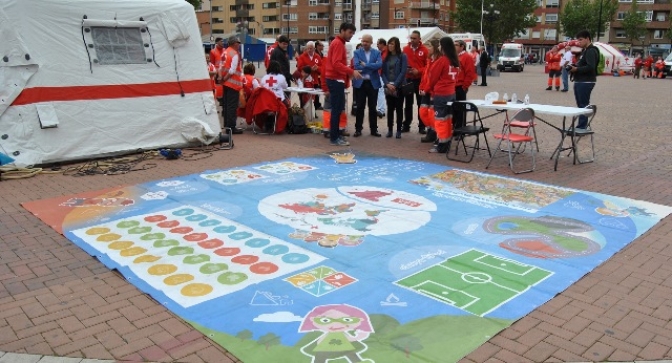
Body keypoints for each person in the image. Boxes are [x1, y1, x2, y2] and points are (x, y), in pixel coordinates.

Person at [325, 23, 361, 146]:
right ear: (342, 31)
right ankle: (335, 137)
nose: (351, 35)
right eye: (350, 32)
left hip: (336, 79)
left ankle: (336, 135)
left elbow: (336, 64)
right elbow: (336, 63)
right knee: (336, 109)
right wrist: (351, 71)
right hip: (335, 80)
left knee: (338, 109)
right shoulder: (338, 43)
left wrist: (348, 73)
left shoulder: (338, 43)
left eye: (353, 33)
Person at [427, 37, 459, 153]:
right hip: (451, 93)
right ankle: (446, 142)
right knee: (448, 119)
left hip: (441, 94)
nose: (439, 47)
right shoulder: (454, 60)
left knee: (440, 120)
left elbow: (433, 77)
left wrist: (431, 88)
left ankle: (441, 144)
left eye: (440, 45)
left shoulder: (442, 60)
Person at [352, 34, 383, 137]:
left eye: (367, 41)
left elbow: (379, 65)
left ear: (371, 42)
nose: (364, 43)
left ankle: (374, 130)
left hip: (372, 83)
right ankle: (358, 129)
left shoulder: (377, 52)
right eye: (363, 41)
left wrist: (365, 65)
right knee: (360, 107)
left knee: (372, 107)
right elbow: (356, 66)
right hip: (360, 83)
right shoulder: (357, 52)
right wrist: (371, 67)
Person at [568, 30, 599, 129]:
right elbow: (582, 64)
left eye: (581, 40)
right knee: (580, 104)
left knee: (583, 104)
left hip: (586, 81)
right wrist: (573, 67)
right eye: (578, 40)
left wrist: (576, 69)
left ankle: (582, 126)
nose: (579, 42)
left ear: (587, 38)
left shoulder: (591, 51)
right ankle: (581, 125)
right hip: (580, 80)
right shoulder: (584, 51)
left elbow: (591, 66)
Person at [402, 30, 429, 134]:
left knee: (420, 104)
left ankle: (422, 126)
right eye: (411, 38)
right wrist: (406, 70)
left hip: (420, 80)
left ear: (419, 39)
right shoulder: (405, 49)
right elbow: (401, 63)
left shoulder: (425, 50)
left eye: (414, 38)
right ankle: (406, 125)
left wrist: (419, 71)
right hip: (408, 79)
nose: (412, 40)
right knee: (408, 103)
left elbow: (428, 66)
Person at [381, 37, 408, 139]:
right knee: (390, 109)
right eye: (389, 44)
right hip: (388, 86)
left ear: (396, 45)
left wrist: (395, 85)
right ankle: (390, 130)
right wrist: (387, 84)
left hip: (399, 86)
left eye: (392, 44)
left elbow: (403, 71)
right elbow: (382, 72)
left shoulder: (402, 56)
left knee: (399, 109)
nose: (390, 46)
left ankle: (398, 130)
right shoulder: (386, 57)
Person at [220, 36, 244, 134]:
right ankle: (231, 127)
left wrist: (221, 79)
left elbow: (220, 66)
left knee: (226, 105)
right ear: (234, 43)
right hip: (232, 83)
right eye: (238, 43)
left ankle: (227, 126)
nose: (239, 45)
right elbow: (232, 70)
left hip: (225, 83)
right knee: (232, 106)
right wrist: (225, 78)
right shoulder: (234, 54)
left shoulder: (225, 52)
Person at [419, 39, 440, 144]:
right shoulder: (429, 60)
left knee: (432, 114)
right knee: (423, 112)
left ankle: (434, 133)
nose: (428, 49)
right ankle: (432, 130)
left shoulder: (438, 60)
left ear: (436, 48)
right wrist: (421, 87)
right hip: (426, 90)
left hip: (433, 91)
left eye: (430, 46)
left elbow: (434, 78)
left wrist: (426, 89)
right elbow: (425, 75)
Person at [454, 39, 477, 138]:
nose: (454, 46)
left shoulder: (466, 57)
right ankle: (455, 129)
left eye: (456, 45)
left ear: (462, 46)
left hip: (460, 87)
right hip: (452, 86)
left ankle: (461, 130)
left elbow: (470, 73)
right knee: (454, 109)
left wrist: (464, 86)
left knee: (461, 110)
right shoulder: (454, 57)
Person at [298, 41, 323, 110]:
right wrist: (309, 69)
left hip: (314, 81)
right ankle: (302, 111)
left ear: (314, 49)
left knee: (314, 97)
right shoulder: (302, 57)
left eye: (311, 48)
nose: (309, 50)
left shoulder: (317, 57)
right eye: (308, 48)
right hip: (305, 81)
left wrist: (317, 68)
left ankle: (313, 112)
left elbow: (322, 68)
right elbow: (299, 68)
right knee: (303, 97)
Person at [375, 38, 388, 119]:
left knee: (381, 91)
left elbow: (381, 63)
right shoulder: (381, 53)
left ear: (382, 44)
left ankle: (381, 109)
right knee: (381, 91)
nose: (377, 45)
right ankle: (381, 109)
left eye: (378, 44)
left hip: (383, 74)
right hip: (381, 74)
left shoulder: (385, 53)